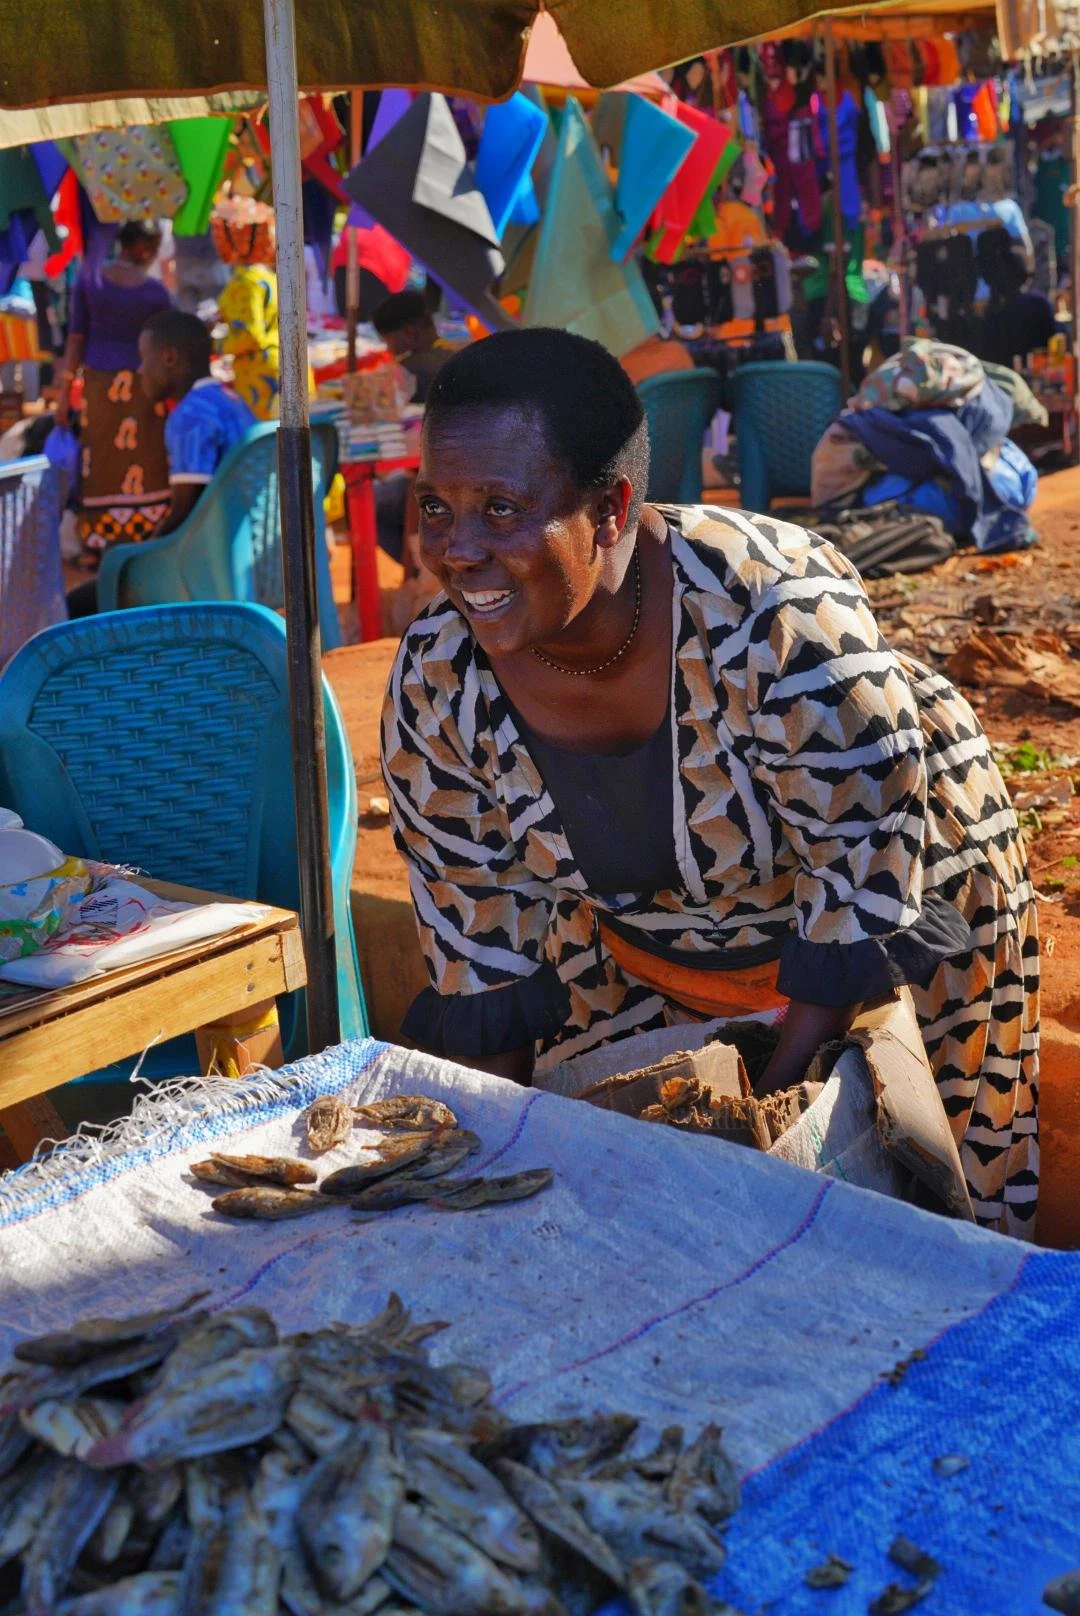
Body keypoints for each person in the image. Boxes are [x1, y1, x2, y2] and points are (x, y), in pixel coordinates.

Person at [381, 328, 1040, 1240]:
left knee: (921, 1219)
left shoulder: (772, 612)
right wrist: (493, 1163)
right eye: (435, 508)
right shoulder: (438, 677)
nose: (455, 551)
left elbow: (860, 891)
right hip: (650, 942)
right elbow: (481, 941)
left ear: (610, 509)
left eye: (499, 508)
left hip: (901, 906)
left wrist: (761, 1119)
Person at [58, 220, 172, 553]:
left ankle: (99, 541)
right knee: (147, 460)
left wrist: (65, 395)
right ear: (143, 248)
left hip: (98, 389)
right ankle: (145, 536)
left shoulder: (90, 282)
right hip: (143, 390)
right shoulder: (155, 293)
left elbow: (76, 339)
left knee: (101, 460)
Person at [137, 309, 256, 537]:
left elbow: (186, 513)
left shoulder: (189, 417)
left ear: (169, 357)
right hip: (253, 532)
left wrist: (145, 546)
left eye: (144, 358)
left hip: (222, 544)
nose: (140, 370)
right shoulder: (232, 399)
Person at [371, 290, 461, 404]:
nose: (388, 349)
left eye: (388, 341)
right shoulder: (454, 354)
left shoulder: (408, 370)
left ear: (409, 332)